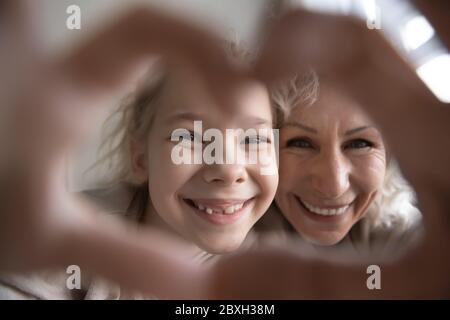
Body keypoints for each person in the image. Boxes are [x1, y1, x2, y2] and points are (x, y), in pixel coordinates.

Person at [1, 0, 450, 299]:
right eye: (192, 137)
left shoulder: (293, 243)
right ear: (141, 155)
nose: (228, 168)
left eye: (254, 140)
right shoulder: (75, 239)